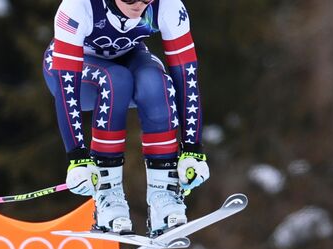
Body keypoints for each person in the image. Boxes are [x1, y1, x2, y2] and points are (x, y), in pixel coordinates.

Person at [42, 0, 209, 236]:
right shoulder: (78, 6)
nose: (139, 4)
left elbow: (186, 76)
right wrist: (77, 157)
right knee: (116, 80)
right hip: (76, 76)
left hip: (129, 57)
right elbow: (66, 85)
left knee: (156, 83)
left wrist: (193, 149)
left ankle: (165, 195)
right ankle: (108, 195)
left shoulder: (167, 5)